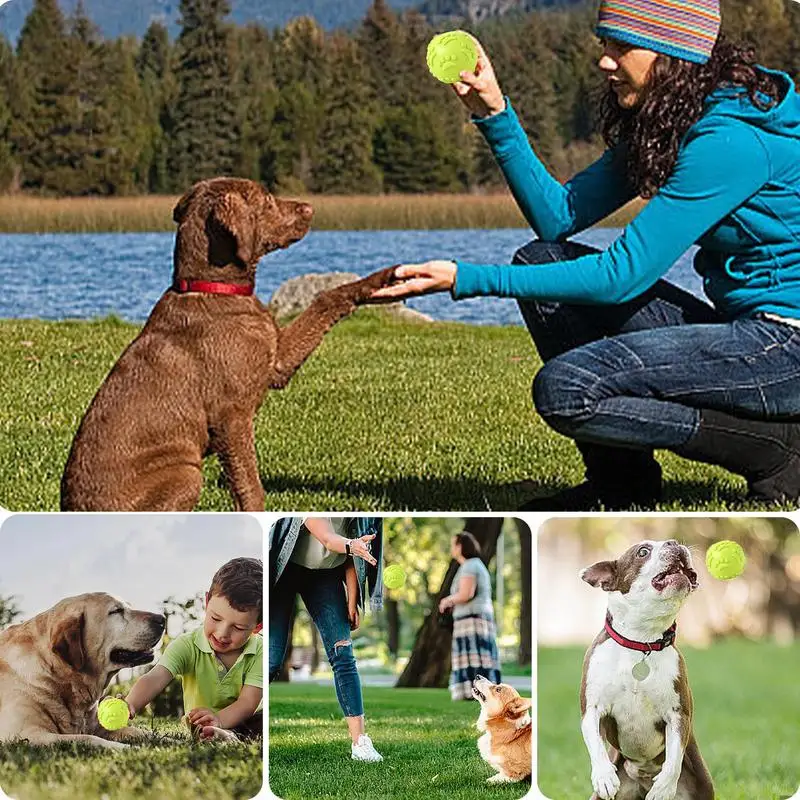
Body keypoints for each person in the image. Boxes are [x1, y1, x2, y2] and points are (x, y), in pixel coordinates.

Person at [372, 0, 800, 511]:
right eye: (604, 43)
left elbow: (620, 276)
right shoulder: (674, 117)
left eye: (622, 46)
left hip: (785, 344)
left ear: (671, 53)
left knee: (567, 390)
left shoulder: (729, 142)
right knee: (541, 259)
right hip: (747, 330)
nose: (604, 60)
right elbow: (558, 218)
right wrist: (494, 114)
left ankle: (777, 454)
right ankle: (620, 487)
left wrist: (466, 278)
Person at [269, 517, 385, 762]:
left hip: (325, 575)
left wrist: (352, 600)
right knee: (271, 658)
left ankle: (360, 743)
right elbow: (329, 538)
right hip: (285, 567)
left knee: (343, 655)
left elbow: (356, 549)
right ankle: (240, 723)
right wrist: (353, 545)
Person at [125, 557, 263, 743]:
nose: (222, 634)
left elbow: (248, 703)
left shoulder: (260, 651)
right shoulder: (187, 646)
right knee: (205, 729)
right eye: (215, 618)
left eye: (238, 628)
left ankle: (228, 735)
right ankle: (219, 735)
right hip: (202, 724)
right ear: (207, 602)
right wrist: (130, 704)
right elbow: (155, 677)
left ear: (257, 626)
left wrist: (220, 720)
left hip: (247, 721)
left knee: (262, 719)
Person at [439, 531, 501, 701]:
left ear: (461, 546)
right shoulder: (473, 565)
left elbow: (466, 593)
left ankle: (473, 692)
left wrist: (447, 601)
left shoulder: (470, 566)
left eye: (454, 544)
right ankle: (480, 692)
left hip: (472, 620)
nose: (452, 548)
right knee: (480, 658)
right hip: (474, 618)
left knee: (473, 657)